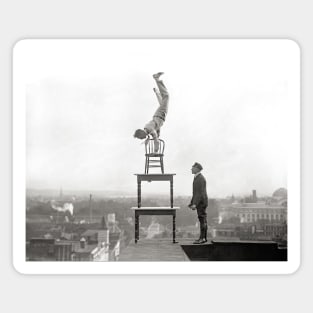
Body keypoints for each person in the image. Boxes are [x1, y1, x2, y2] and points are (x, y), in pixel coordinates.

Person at [133, 72, 169, 153]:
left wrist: (156, 150)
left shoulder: (149, 128)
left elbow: (155, 136)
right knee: (162, 102)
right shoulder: (148, 129)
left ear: (142, 133)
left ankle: (156, 78)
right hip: (160, 116)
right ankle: (157, 91)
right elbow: (156, 129)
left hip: (159, 115)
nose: (141, 138)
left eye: (140, 137)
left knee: (166, 96)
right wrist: (148, 140)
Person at [188, 162, 208, 244]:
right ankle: (203, 238)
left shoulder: (200, 178)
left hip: (201, 202)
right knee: (203, 220)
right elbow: (195, 193)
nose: (191, 169)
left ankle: (202, 238)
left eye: (193, 167)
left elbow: (199, 193)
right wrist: (192, 202)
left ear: (197, 169)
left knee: (202, 220)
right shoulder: (198, 177)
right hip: (201, 202)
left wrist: (195, 204)